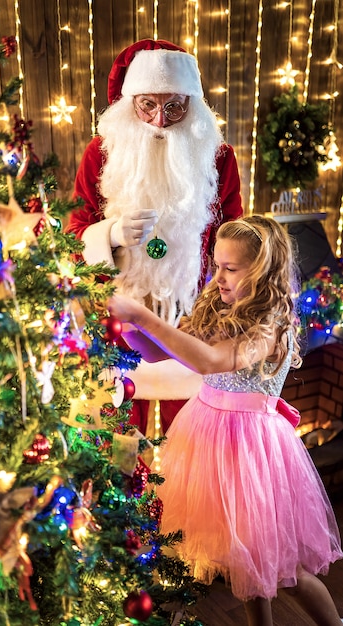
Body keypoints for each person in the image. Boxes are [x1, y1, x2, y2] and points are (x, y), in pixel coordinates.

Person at [108, 215, 343, 626]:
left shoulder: (269, 327)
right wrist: (127, 323)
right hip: (208, 440)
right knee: (242, 565)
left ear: (262, 271)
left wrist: (145, 317)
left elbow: (210, 360)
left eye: (230, 269)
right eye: (216, 265)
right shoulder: (221, 308)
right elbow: (156, 352)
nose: (218, 277)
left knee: (284, 570)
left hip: (252, 452)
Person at [66, 38, 243, 435]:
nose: (160, 119)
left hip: (196, 314)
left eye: (174, 106)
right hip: (117, 319)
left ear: (191, 105)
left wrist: (228, 303)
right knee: (117, 439)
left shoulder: (218, 157)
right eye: (147, 104)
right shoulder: (101, 152)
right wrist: (109, 233)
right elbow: (73, 232)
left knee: (198, 434)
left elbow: (234, 233)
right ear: (130, 103)